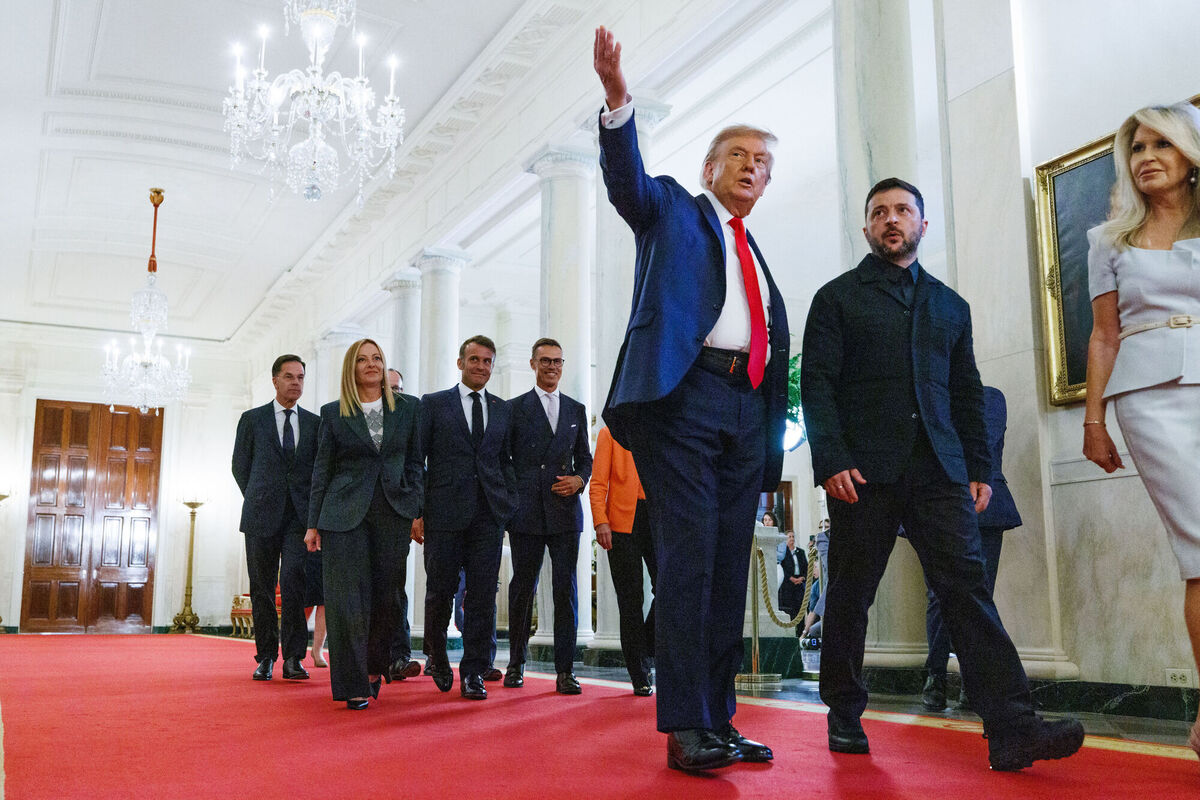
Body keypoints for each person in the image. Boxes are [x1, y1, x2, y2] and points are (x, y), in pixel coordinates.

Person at [800, 177, 1084, 771]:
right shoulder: (836, 299)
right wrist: (830, 458)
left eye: (903, 210)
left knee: (967, 593)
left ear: (922, 226)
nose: (891, 219)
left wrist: (981, 468)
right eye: (879, 212)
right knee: (852, 594)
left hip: (940, 471)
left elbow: (965, 394)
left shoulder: (951, 306)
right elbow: (817, 387)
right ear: (867, 228)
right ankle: (845, 712)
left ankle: (1011, 727)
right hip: (863, 474)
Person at [594, 27, 789, 772]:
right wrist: (618, 103)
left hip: (746, 411)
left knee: (726, 564)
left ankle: (720, 718)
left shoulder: (757, 255)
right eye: (738, 155)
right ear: (711, 168)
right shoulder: (674, 210)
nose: (751, 167)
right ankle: (685, 726)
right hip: (685, 401)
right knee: (688, 560)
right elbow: (628, 186)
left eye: (763, 163)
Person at [1082, 102, 1200, 757]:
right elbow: (1104, 335)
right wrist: (1094, 420)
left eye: (1162, 143)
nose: (1147, 155)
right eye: (1136, 146)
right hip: (1151, 396)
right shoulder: (1109, 241)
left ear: (1189, 154)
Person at [304, 339, 423, 710]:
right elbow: (321, 471)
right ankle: (353, 684)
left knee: (387, 597)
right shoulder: (333, 412)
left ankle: (373, 668)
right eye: (363, 359)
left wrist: (417, 510)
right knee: (345, 602)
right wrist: (312, 524)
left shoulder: (409, 408)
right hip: (342, 515)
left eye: (377, 358)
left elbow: (416, 464)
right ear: (351, 368)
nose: (371, 364)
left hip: (392, 512)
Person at [415, 335, 518, 700]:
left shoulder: (504, 410)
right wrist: (418, 511)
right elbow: (418, 461)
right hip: (443, 514)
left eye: (488, 361)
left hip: (488, 515)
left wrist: (507, 502)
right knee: (439, 591)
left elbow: (507, 461)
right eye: (474, 359)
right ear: (460, 363)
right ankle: (437, 653)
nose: (481, 366)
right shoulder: (434, 405)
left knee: (481, 596)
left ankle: (473, 670)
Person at [922, 386, 1021, 711]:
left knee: (980, 596)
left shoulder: (991, 397)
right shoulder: (926, 397)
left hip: (985, 508)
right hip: (936, 506)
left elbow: (984, 445)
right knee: (938, 597)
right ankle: (935, 676)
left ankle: (974, 680)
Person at [506, 338, 593, 693]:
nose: (552, 367)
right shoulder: (513, 408)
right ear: (532, 364)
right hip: (526, 510)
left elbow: (585, 458)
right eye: (545, 361)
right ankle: (515, 664)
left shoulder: (575, 409)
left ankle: (565, 670)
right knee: (522, 589)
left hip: (564, 511)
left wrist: (579, 479)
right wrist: (512, 496)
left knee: (565, 591)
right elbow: (503, 460)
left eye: (557, 361)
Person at [231, 354, 318, 683]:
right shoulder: (252, 420)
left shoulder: (314, 423)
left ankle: (294, 658)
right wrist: (258, 496)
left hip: (300, 517)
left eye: (300, 377)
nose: (295, 382)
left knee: (295, 581)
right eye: (289, 376)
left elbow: (317, 472)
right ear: (275, 381)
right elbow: (240, 466)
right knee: (262, 589)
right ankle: (265, 656)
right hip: (260, 515)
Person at [590, 424, 657, 696]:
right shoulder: (610, 433)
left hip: (656, 519)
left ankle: (646, 647)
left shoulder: (658, 428)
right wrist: (600, 521)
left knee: (669, 586)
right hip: (620, 524)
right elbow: (597, 484)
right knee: (630, 600)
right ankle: (638, 672)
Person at [385, 367, 421, 682]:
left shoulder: (411, 417)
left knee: (396, 588)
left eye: (398, 388)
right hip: (359, 518)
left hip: (398, 517)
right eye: (388, 388)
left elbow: (416, 467)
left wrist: (414, 513)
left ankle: (400, 657)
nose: (394, 394)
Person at [778, 531, 807, 621]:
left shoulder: (800, 552)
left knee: (800, 608)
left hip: (799, 583)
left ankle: (800, 630)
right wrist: (790, 578)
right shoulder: (783, 553)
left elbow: (806, 567)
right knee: (790, 609)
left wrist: (802, 577)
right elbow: (782, 567)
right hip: (788, 584)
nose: (791, 539)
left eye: (793, 536)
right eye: (789, 537)